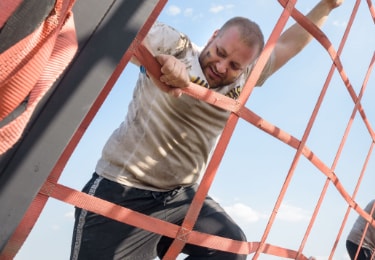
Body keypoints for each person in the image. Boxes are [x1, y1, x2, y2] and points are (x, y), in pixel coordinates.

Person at [70, 1, 343, 259]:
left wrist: (327, 6)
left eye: (235, 66)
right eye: (220, 53)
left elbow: (287, 43)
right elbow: (126, 33)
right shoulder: (177, 46)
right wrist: (161, 65)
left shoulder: (245, 80)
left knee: (231, 249)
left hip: (179, 197)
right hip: (122, 188)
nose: (222, 67)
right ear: (213, 37)